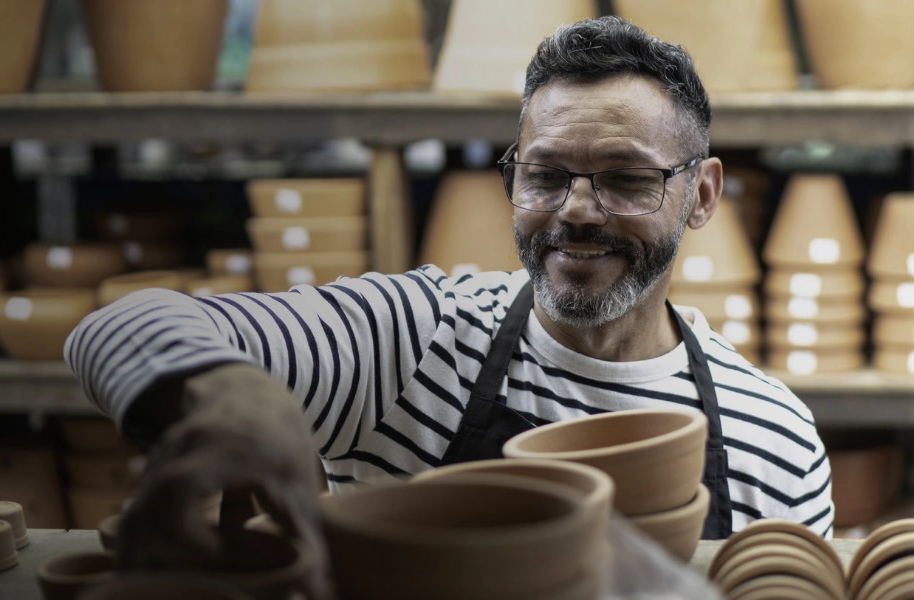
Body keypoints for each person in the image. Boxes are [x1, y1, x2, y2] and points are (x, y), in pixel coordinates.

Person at [65, 15, 832, 585]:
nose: (574, 208)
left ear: (700, 195)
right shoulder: (417, 337)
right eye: (544, 173)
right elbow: (117, 324)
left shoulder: (772, 433)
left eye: (626, 179)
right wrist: (230, 394)